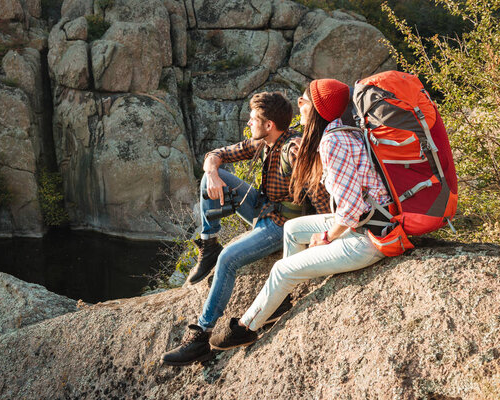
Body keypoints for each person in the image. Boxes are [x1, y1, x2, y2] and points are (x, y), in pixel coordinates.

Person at [207, 79, 392, 350]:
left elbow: (352, 210)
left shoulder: (332, 142)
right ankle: (280, 300)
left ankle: (247, 327)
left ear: (317, 108)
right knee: (293, 230)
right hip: (370, 218)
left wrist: (327, 237)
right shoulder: (341, 131)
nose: (299, 106)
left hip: (370, 236)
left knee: (282, 269)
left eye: (304, 101)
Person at [161, 91, 330, 366]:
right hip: (261, 209)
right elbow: (215, 155)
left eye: (253, 120)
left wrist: (326, 235)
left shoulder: (292, 149)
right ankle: (209, 244)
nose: (249, 123)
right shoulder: (263, 143)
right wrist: (213, 172)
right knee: (210, 177)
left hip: (280, 225)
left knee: (229, 259)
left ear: (269, 125)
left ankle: (201, 337)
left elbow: (320, 193)